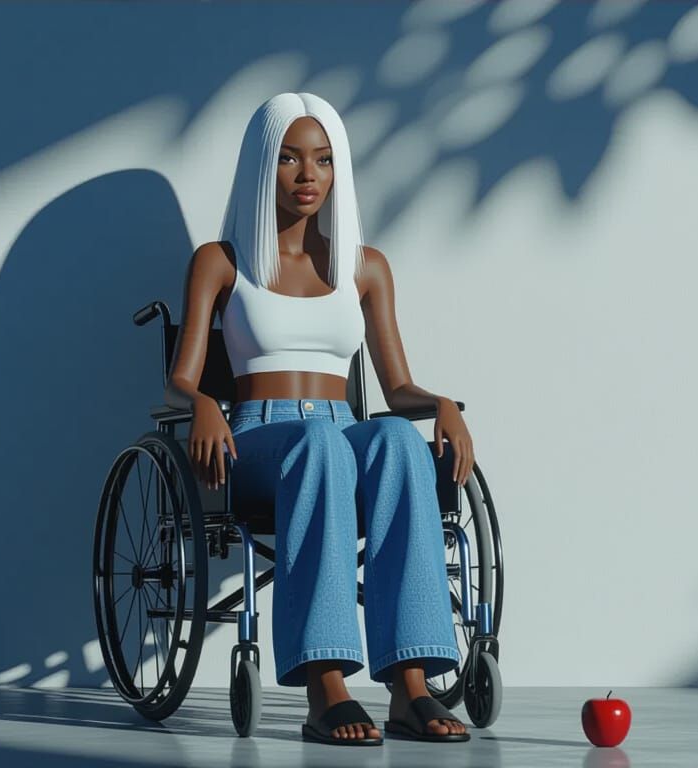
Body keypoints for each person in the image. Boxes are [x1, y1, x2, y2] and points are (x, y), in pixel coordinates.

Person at [164, 92, 475, 745]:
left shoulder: (364, 267)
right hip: (257, 438)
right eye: (290, 159)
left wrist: (440, 405)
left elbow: (397, 386)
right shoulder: (220, 263)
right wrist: (202, 407)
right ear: (261, 166)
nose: (309, 175)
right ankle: (324, 682)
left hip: (336, 431)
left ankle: (409, 683)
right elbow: (183, 377)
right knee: (320, 443)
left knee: (393, 436)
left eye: (324, 160)